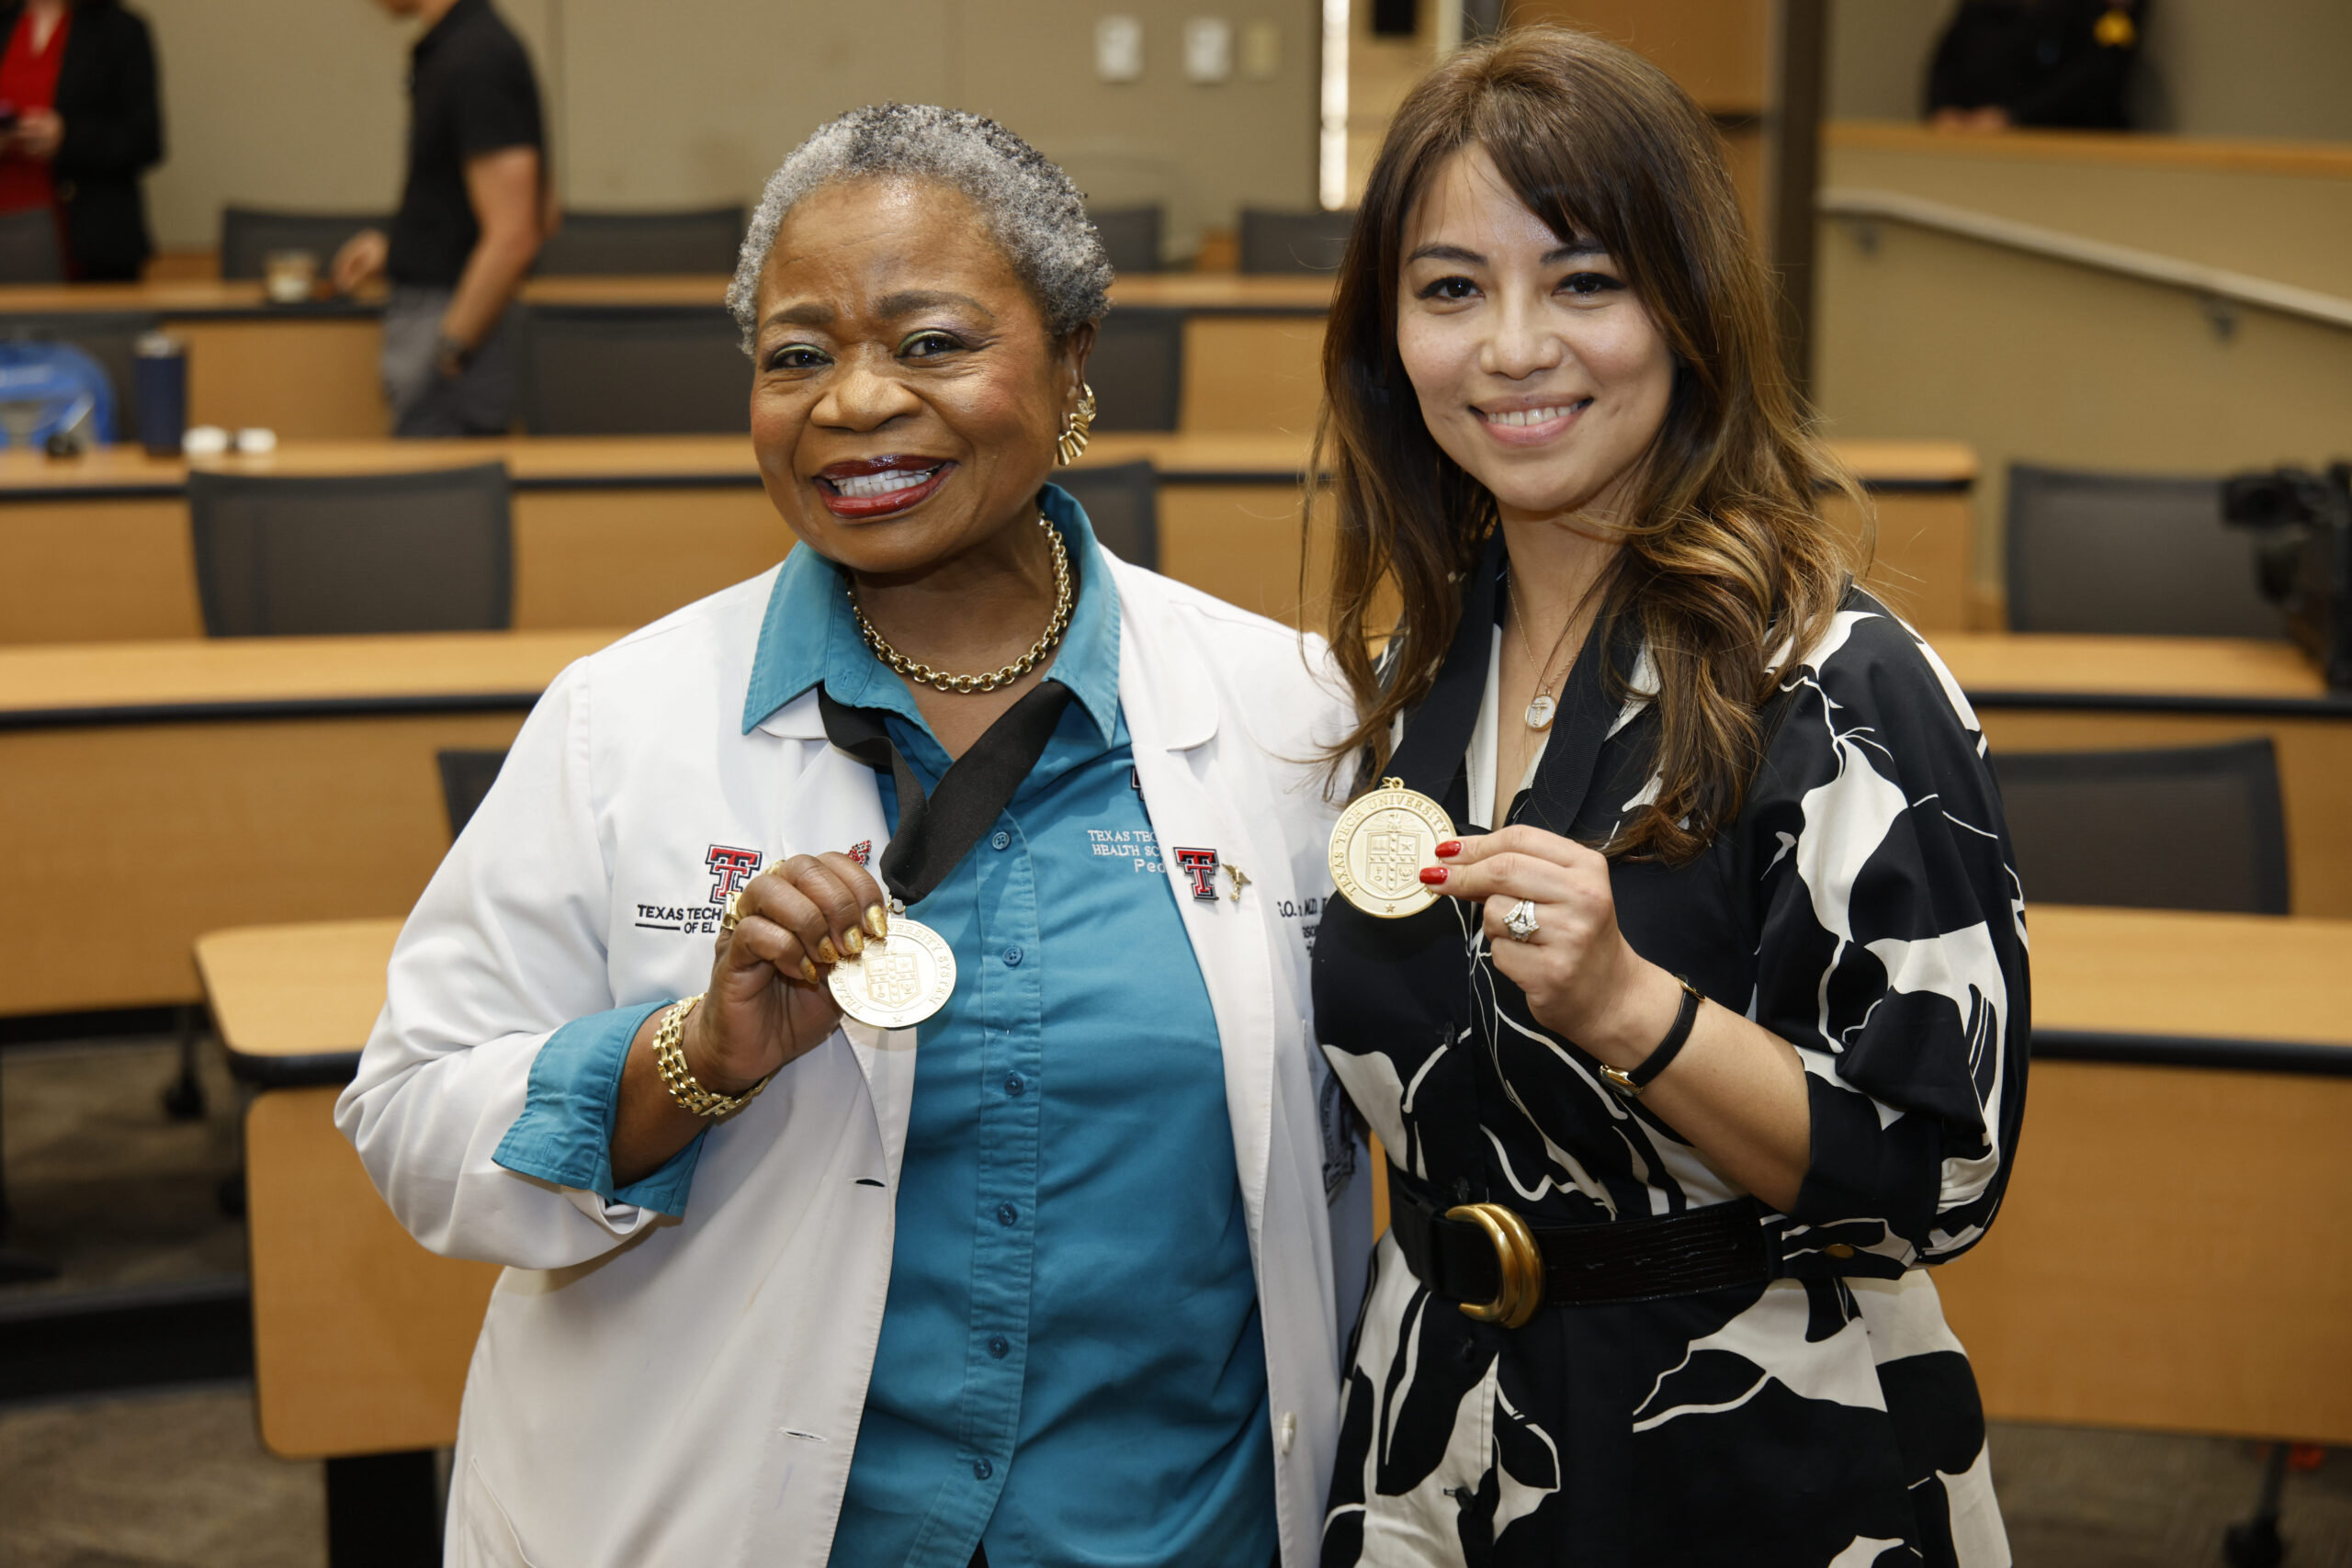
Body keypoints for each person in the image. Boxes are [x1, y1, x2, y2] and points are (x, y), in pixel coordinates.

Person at [338, 104, 1367, 1567]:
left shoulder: (1292, 718)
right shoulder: (621, 720)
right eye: (796, 356)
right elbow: (412, 1113)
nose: (855, 402)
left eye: (932, 342)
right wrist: (691, 1058)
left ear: (1075, 358)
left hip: (1176, 1531)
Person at [1309, 28, 2027, 1566]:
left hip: (1754, 1450)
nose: (1511, 347)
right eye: (1451, 289)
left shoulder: (1837, 686)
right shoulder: (1402, 681)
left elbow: (1939, 1175)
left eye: (1584, 281)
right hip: (1435, 1436)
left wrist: (1635, 1007)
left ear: (1689, 308)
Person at [332, 0, 545, 436]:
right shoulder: (454, 47)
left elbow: (515, 235)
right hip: (442, 320)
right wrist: (401, 249)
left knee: (435, 478)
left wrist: (448, 352)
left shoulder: (478, 56)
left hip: (456, 329)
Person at [0, 0, 161, 280]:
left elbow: (146, 139)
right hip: (8, 220)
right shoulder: (5, 21)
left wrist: (68, 137)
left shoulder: (119, 29)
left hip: (87, 234)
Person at [1926, 0, 2144, 131]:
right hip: (1973, 140)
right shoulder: (1984, 7)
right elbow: (1947, 59)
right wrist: (1943, 108)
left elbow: (2097, 72)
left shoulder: (2084, 10)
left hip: (2069, 144)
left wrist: (2014, 116)